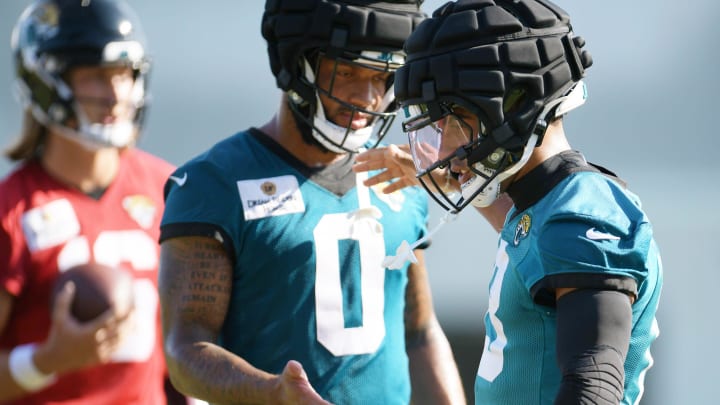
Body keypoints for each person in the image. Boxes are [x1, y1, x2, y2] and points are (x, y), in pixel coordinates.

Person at [157, 0, 466, 404]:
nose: (368, 97)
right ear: (296, 65)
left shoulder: (401, 177)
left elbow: (421, 332)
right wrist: (274, 393)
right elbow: (184, 352)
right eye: (348, 72)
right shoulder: (213, 183)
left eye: (382, 76)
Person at [356, 0, 663, 404]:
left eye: (450, 119)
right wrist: (452, 175)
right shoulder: (545, 206)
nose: (439, 143)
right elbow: (530, 241)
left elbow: (593, 388)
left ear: (513, 107)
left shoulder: (584, 215)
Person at [0, 0, 185, 403]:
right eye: (97, 76)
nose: (116, 93)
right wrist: (46, 361)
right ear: (46, 81)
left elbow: (193, 340)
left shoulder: (171, 189)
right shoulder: (11, 210)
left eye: (124, 75)